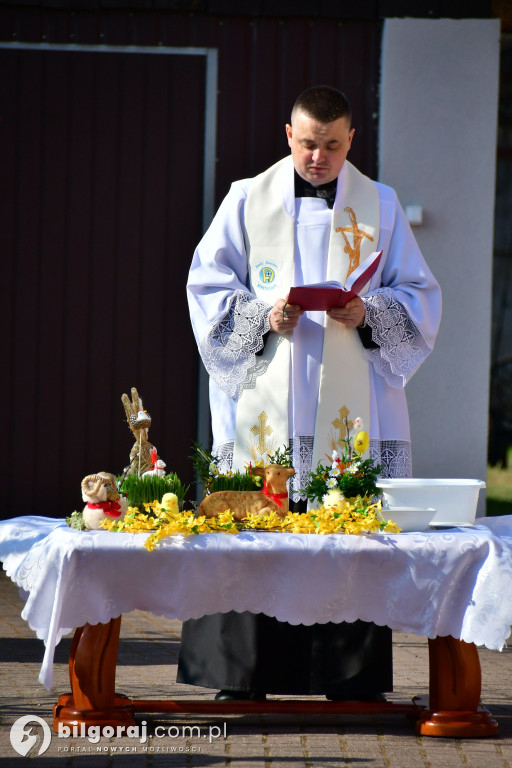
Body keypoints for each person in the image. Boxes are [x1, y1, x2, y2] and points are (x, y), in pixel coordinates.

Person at [178, 85, 442, 701]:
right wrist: (258, 314)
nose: (318, 157)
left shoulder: (382, 204)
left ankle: (347, 678)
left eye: (331, 145)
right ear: (287, 135)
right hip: (267, 396)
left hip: (349, 404)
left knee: (344, 529)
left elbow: (420, 293)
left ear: (351, 140)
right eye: (307, 144)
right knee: (255, 528)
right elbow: (207, 284)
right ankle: (238, 676)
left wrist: (370, 311)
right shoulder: (247, 199)